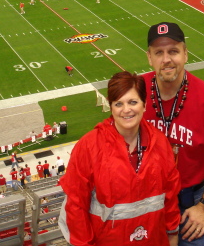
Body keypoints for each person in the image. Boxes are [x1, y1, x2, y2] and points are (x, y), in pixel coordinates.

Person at [59, 71, 181, 246]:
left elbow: (170, 196)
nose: (126, 110)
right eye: (118, 103)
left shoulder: (160, 143)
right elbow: (76, 206)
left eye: (133, 102)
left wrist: (172, 234)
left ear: (144, 105)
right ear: (111, 107)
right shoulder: (88, 146)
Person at [143, 22, 204, 245]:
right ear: (149, 58)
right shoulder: (135, 92)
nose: (166, 59)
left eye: (174, 51)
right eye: (159, 52)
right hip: (146, 198)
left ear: (186, 54)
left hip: (190, 200)